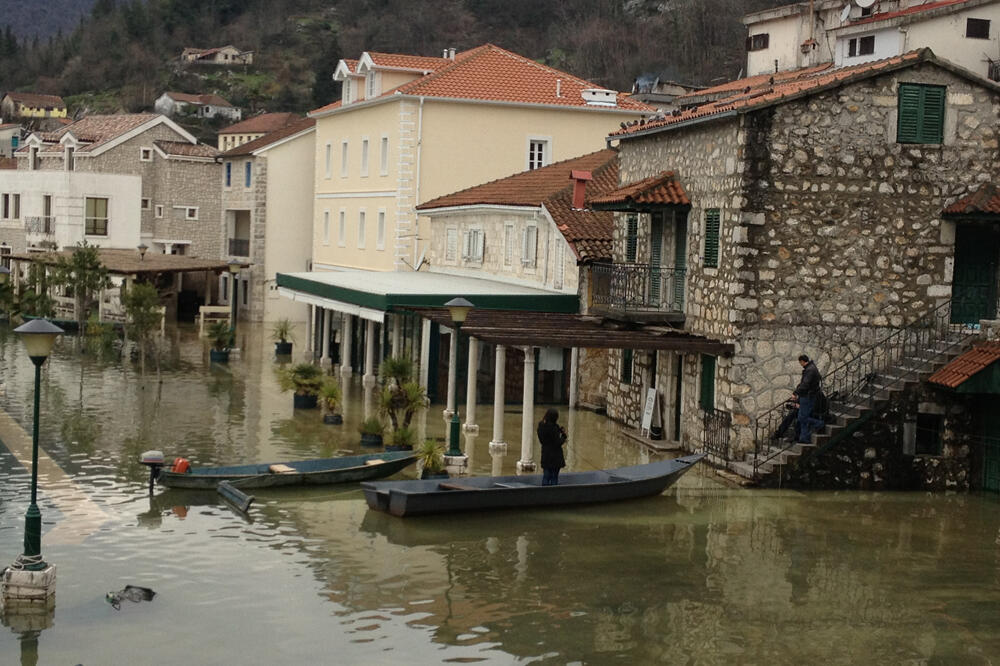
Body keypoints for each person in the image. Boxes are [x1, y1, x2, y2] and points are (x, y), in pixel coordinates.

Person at [792, 354, 824, 443]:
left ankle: (819, 423)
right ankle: (804, 438)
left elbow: (805, 384)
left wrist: (796, 393)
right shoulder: (811, 368)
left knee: (802, 418)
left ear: (802, 361)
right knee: (802, 418)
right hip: (807, 395)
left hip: (807, 396)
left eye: (800, 362)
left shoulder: (810, 370)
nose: (800, 364)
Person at [537, 408, 567, 486]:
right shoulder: (553, 428)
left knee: (546, 476)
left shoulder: (541, 426)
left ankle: (544, 493)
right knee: (554, 476)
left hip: (545, 454)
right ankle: (553, 493)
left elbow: (543, 440)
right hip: (555, 456)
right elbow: (557, 442)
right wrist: (563, 437)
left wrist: (558, 430)